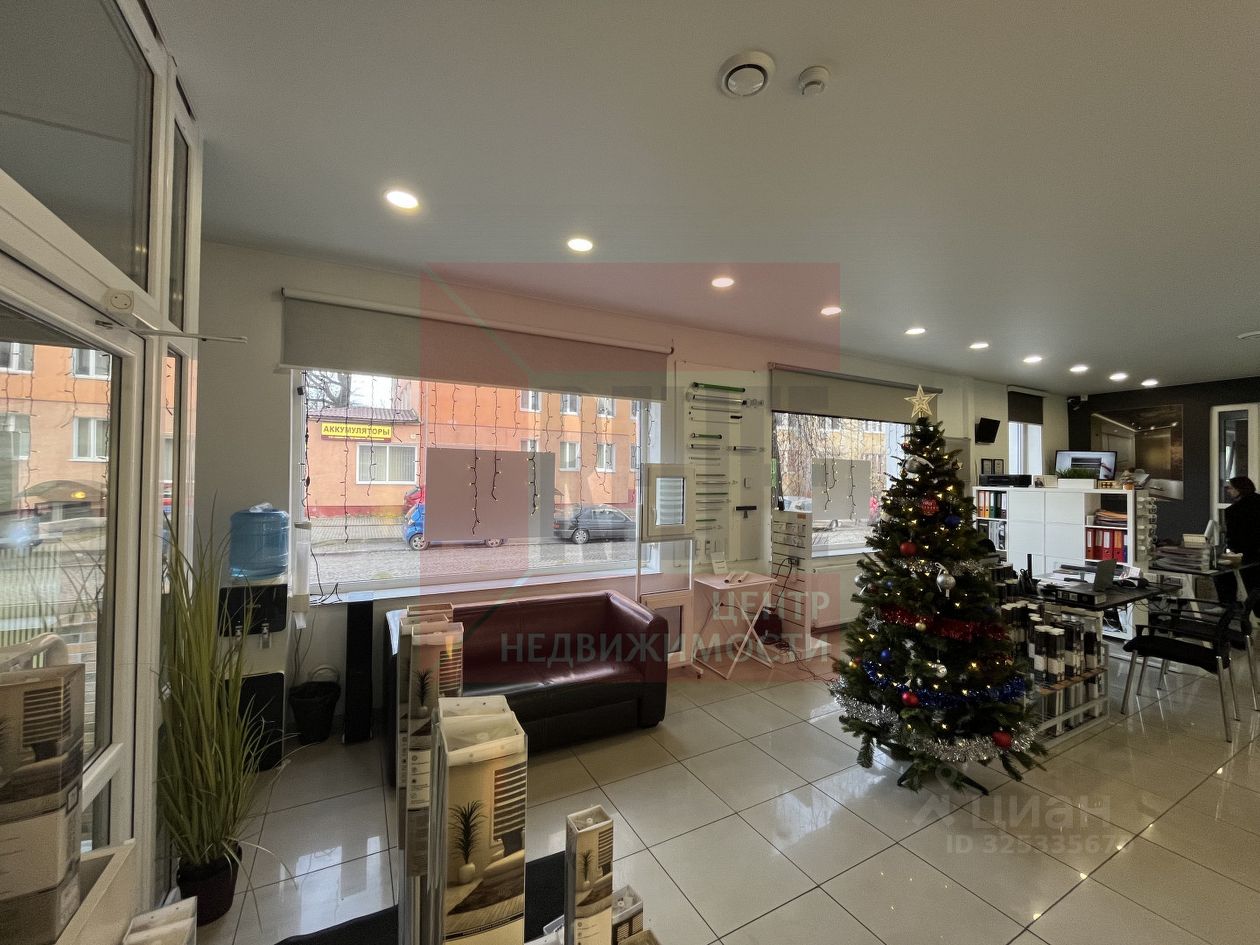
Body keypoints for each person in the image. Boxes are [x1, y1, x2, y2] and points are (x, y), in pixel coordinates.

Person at [1220, 476, 1260, 609]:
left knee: (1224, 570)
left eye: (1230, 488)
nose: (1228, 491)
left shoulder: (1234, 510)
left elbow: (1234, 536)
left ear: (1239, 489)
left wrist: (1231, 549)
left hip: (1247, 553)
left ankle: (1229, 605)